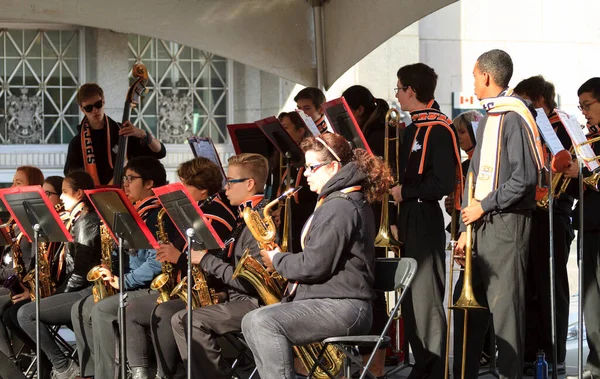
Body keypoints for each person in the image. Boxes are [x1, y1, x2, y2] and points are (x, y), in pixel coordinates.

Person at [241, 132, 392, 379]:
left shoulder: (340, 206)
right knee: (251, 321)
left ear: (333, 167)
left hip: (345, 307)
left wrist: (278, 260)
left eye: (311, 167)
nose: (306, 174)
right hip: (333, 301)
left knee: (263, 323)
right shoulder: (337, 201)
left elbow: (315, 265)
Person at [456, 49, 545, 379]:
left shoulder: (513, 116)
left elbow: (524, 179)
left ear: (486, 76)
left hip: (506, 225)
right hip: (480, 226)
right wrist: (467, 226)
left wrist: (485, 206)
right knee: (467, 309)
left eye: (475, 75)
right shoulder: (491, 116)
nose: (474, 82)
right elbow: (476, 176)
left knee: (506, 311)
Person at [126, 157, 237, 379]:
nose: (179, 189)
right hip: (186, 287)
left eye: (185, 184)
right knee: (131, 309)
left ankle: (165, 373)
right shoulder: (196, 210)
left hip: (208, 291)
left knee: (164, 311)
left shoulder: (214, 215)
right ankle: (141, 372)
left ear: (204, 190)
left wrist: (177, 257)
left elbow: (206, 262)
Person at [70, 156, 177, 379]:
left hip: (152, 289)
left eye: (131, 178)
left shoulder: (158, 216)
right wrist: (110, 267)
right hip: (133, 285)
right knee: (82, 307)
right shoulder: (133, 213)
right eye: (124, 178)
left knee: (100, 310)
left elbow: (156, 263)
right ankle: (92, 372)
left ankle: (109, 375)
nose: (125, 183)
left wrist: (123, 281)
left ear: (149, 183)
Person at [389, 63, 462, 378]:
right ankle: (422, 362)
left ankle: (433, 368)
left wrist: (405, 190)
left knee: (426, 296)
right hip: (409, 214)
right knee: (410, 296)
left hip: (423, 213)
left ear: (411, 91)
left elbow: (443, 181)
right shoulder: (415, 125)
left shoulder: (438, 128)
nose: (397, 94)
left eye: (399, 88)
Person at [169, 153, 268, 378]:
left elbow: (250, 282)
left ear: (250, 184)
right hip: (239, 298)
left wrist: (205, 259)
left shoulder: (259, 221)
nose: (225, 189)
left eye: (231, 182)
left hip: (256, 303)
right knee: (180, 318)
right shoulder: (244, 216)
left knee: (191, 320)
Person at [514, 75, 574, 375]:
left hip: (554, 212)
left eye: (525, 100)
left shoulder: (561, 128)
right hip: (532, 213)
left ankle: (554, 354)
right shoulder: (532, 128)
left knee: (551, 289)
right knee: (530, 289)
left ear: (538, 101)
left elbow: (564, 169)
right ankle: (532, 353)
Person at [17, 170, 102, 379]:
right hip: (77, 289)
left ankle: (64, 367)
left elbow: (81, 273)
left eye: (64, 192)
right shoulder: (79, 220)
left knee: (25, 314)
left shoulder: (86, 222)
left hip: (86, 290)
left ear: (80, 193)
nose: (61, 197)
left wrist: (56, 295)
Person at [342, 84, 397, 375]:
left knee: (372, 289)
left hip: (372, 217)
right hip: (369, 217)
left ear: (360, 110)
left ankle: (374, 363)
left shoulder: (374, 136)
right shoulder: (370, 132)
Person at [564, 77, 600, 379]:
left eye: (587, 105)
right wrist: (573, 174)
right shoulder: (590, 139)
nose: (584, 112)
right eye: (581, 107)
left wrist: (588, 172)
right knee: (591, 303)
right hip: (589, 224)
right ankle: (595, 365)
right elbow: (581, 190)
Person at [63, 83, 166, 185]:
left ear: (103, 100)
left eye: (98, 105)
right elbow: (71, 177)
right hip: (93, 198)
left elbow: (160, 152)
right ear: (82, 109)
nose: (95, 110)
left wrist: (143, 134)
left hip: (126, 195)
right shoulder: (77, 143)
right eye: (89, 108)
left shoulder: (123, 132)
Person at [0, 166, 43, 361]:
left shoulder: (36, 224)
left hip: (23, 286)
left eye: (19, 183)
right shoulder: (12, 223)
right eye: (13, 182)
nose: (12, 187)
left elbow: (26, 268)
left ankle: (9, 365)